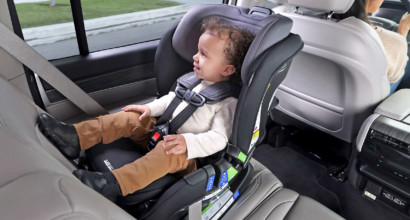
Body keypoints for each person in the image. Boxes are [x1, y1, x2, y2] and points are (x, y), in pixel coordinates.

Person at [37, 16, 255, 201]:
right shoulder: (194, 80)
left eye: (204, 55)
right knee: (131, 118)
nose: (195, 57)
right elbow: (172, 99)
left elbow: (218, 138)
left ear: (227, 69)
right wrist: (148, 109)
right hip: (162, 133)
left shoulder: (227, 103)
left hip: (186, 156)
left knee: (167, 152)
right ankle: (75, 138)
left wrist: (187, 143)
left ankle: (114, 184)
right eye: (198, 51)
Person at [343, 0, 409, 93]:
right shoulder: (395, 42)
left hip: (325, 101)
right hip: (369, 105)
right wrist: (403, 30)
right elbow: (396, 76)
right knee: (406, 65)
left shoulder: (316, 29)